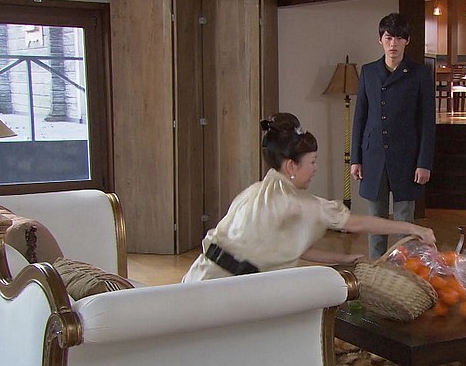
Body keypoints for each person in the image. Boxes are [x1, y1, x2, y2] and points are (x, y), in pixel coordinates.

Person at [183, 112, 436, 282]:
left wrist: (342, 259)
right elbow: (356, 223)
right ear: (292, 166)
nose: (315, 168)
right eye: (312, 162)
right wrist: (413, 228)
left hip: (198, 277)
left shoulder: (254, 193)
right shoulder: (298, 203)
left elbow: (290, 246)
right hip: (223, 292)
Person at [350, 12, 436, 260]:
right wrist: (356, 158)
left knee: (404, 222)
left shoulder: (419, 73)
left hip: (407, 158)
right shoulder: (368, 71)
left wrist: (424, 162)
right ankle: (376, 271)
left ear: (407, 41)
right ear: (380, 40)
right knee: (375, 222)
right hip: (373, 156)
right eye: (388, 38)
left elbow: (427, 121)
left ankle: (402, 272)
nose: (393, 44)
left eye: (399, 38)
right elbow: (360, 116)